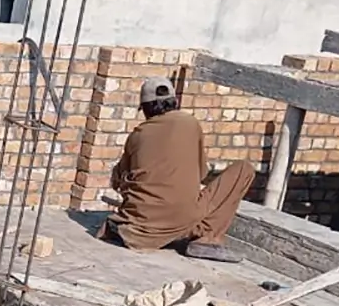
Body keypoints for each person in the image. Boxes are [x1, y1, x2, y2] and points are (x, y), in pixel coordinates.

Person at [101, 77, 255, 262]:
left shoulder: (137, 135)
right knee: (243, 170)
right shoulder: (190, 123)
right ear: (174, 102)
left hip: (139, 227)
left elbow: (117, 181)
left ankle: (172, 228)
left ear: (146, 109)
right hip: (183, 221)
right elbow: (201, 174)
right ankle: (207, 238)